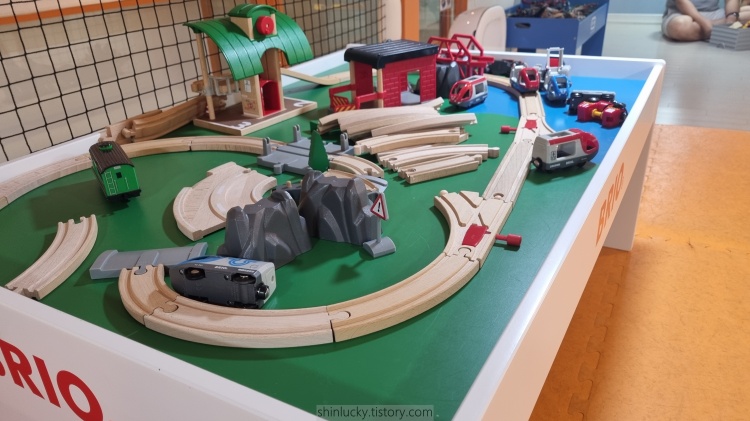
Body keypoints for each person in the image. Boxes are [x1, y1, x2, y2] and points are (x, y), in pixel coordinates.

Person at [662, 0, 750, 41]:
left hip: (713, 13)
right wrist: (705, 24)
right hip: (682, 14)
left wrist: (731, 19)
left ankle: (719, 30)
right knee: (679, 26)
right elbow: (681, 2)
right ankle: (722, 30)